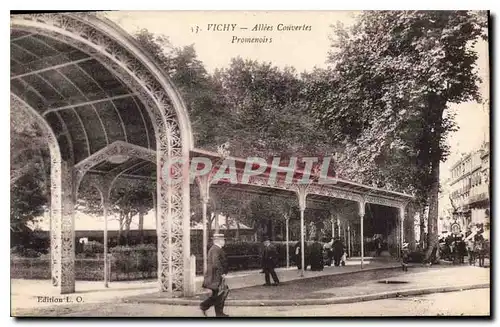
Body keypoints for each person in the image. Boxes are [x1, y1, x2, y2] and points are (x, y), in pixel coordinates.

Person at [200, 234, 230, 317]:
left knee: (219, 293)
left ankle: (218, 313)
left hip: (215, 276)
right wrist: (222, 273)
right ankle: (204, 305)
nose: (224, 241)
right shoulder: (216, 249)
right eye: (223, 240)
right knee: (222, 293)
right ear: (218, 241)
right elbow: (216, 263)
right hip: (215, 276)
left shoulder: (215, 249)